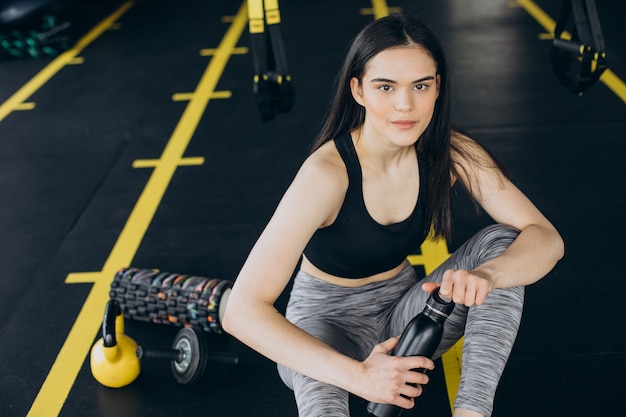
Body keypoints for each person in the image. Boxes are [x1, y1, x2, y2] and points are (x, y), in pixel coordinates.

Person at [222, 14, 564, 417]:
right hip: (322, 328)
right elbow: (242, 312)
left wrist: (491, 276)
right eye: (386, 87)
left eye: (420, 86)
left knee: (504, 246)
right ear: (358, 90)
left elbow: (546, 238)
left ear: (437, 87)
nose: (405, 105)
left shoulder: (451, 152)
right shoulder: (326, 174)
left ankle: (472, 412)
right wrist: (360, 377)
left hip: (407, 317)